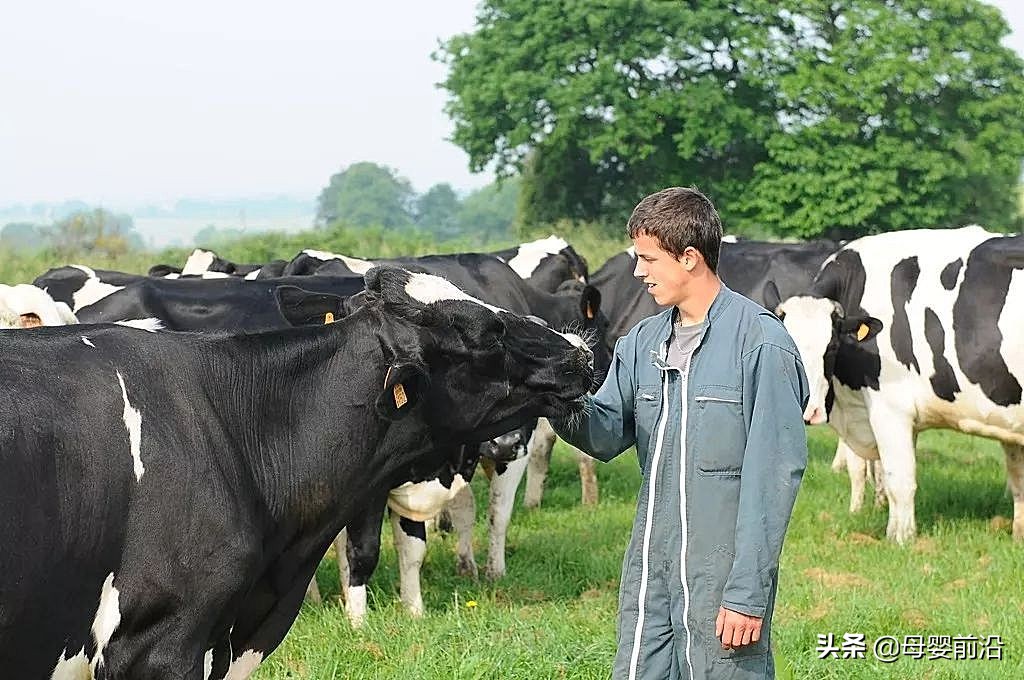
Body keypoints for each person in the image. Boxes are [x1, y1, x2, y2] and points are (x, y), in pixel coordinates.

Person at [553, 187, 809, 679]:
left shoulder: (760, 345)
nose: (637, 271)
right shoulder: (642, 342)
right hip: (650, 573)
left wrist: (747, 593)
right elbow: (605, 433)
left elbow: (773, 480)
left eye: (648, 258)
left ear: (689, 258)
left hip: (721, 580)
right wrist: (551, 396)